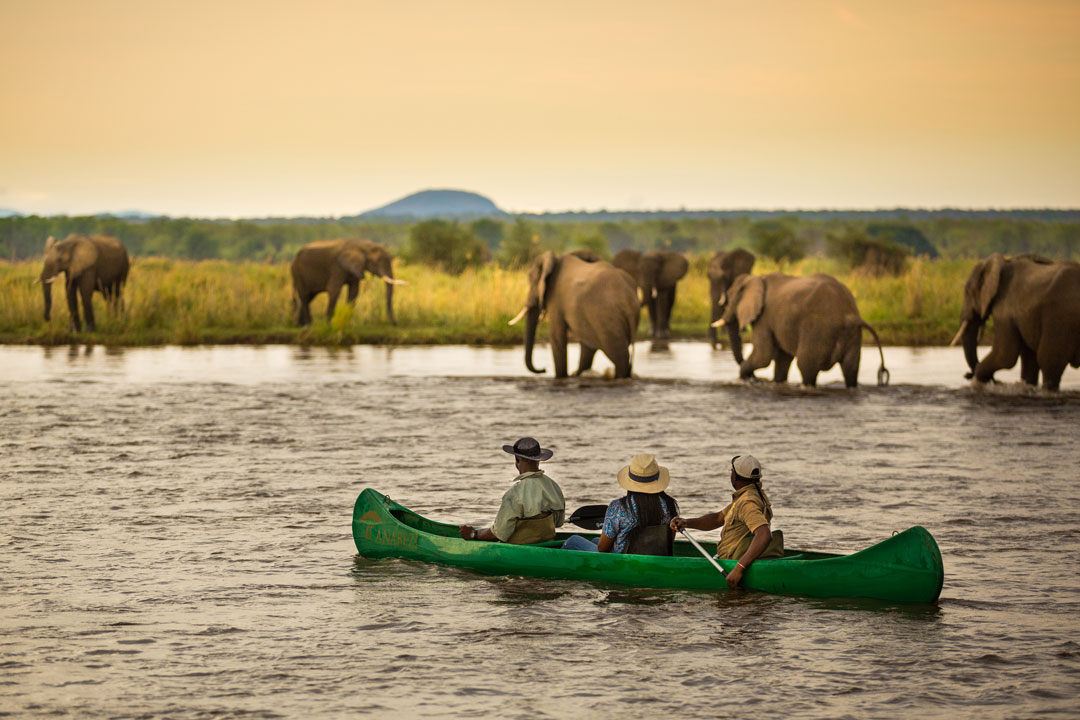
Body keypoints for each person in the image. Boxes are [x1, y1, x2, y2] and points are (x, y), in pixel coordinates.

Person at [670, 454, 783, 588]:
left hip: (732, 563)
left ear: (735, 477)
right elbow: (718, 518)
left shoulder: (747, 502)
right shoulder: (752, 494)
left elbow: (764, 535)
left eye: (732, 472)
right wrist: (687, 522)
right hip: (737, 556)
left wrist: (739, 568)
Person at [562, 453, 679, 555]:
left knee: (573, 541)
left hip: (621, 560)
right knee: (594, 540)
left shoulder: (618, 507)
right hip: (655, 555)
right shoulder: (670, 505)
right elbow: (670, 540)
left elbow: (602, 549)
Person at [459, 437, 566, 544]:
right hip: (546, 543)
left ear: (517, 460)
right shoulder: (553, 486)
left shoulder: (514, 494)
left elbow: (499, 534)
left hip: (522, 547)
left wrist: (474, 534)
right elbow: (559, 522)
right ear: (538, 460)